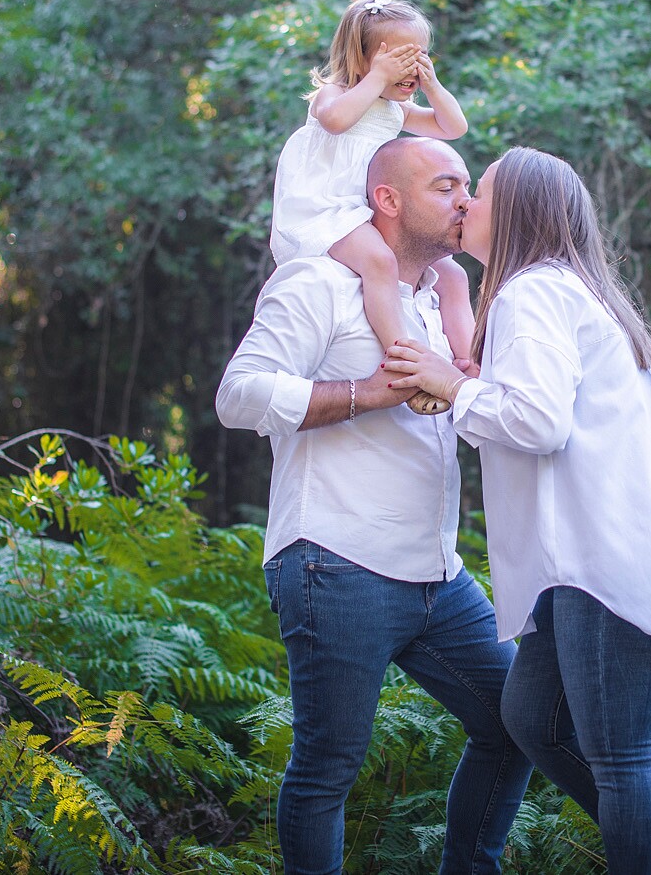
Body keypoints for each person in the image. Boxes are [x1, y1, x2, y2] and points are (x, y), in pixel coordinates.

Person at [383, 147, 651, 875]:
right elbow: (537, 412)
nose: (465, 203)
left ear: (517, 212)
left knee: (623, 758)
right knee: (531, 717)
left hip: (608, 551)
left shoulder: (532, 291)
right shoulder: (558, 289)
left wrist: (453, 383)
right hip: (589, 554)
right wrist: (476, 383)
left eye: (479, 192)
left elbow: (538, 424)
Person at [217, 137, 532, 875]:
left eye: (467, 186)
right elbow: (238, 394)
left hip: (437, 575)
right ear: (387, 199)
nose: (464, 200)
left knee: (515, 722)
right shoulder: (317, 283)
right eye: (444, 186)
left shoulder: (440, 301)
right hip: (335, 561)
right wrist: (365, 394)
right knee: (328, 768)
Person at [270, 0, 474, 413]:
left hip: (367, 213)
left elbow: (454, 126)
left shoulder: (397, 110)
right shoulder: (336, 94)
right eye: (399, 58)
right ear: (361, 56)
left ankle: (469, 364)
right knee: (379, 262)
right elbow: (335, 121)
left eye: (419, 57)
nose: (410, 69)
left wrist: (432, 85)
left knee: (452, 275)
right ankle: (407, 361)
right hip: (328, 211)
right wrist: (377, 78)